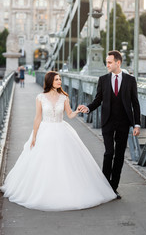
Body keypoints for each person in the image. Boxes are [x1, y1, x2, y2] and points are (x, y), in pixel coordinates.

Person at [1, 71, 116, 211]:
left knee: (65, 161)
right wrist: (34, 136)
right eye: (57, 79)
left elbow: (70, 115)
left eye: (60, 79)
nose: (60, 81)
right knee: (43, 162)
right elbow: (37, 117)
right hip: (45, 130)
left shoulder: (64, 97)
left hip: (62, 130)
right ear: (50, 81)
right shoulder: (40, 97)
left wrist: (78, 110)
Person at [79, 50, 141, 199]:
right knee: (109, 153)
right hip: (107, 122)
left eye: (109, 62)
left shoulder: (130, 80)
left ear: (118, 63)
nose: (107, 65)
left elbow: (135, 103)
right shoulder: (103, 80)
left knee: (119, 155)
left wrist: (137, 124)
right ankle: (104, 186)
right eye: (107, 62)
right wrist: (88, 108)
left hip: (124, 122)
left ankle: (113, 188)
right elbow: (98, 99)